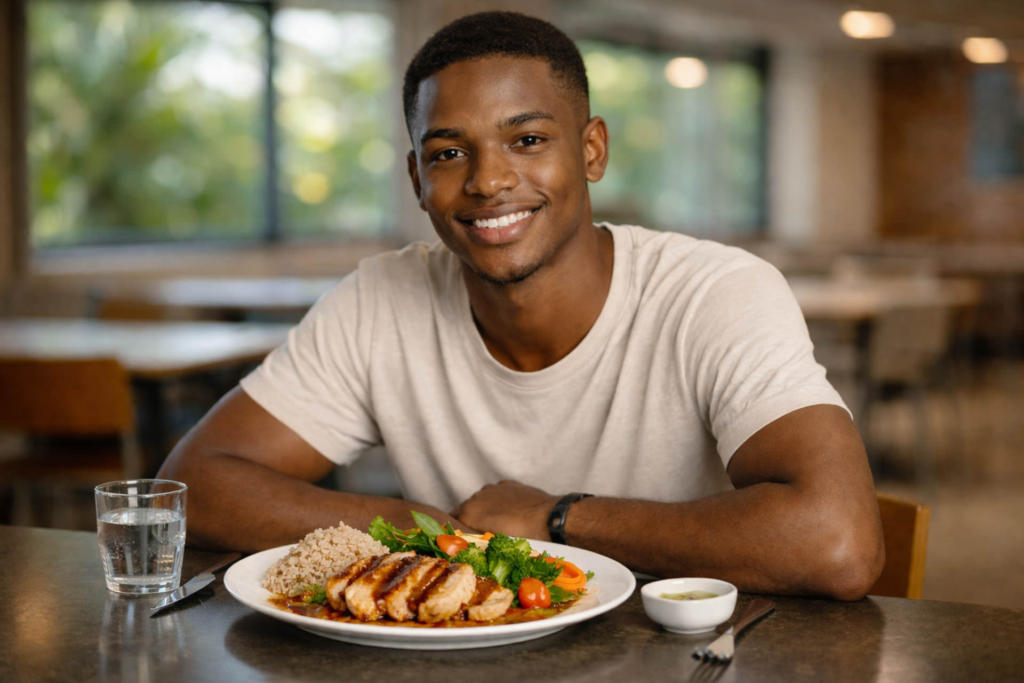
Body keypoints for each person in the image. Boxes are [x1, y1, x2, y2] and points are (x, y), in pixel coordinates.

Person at [160, 11, 884, 599]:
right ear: (417, 179)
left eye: (528, 139)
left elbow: (838, 541)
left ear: (592, 149)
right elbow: (193, 486)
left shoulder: (715, 292)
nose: (488, 181)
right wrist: (409, 527)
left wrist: (554, 519)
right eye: (448, 153)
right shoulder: (379, 299)